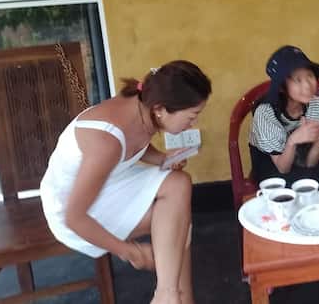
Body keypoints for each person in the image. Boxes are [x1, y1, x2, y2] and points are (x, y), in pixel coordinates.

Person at [40, 61, 211, 304]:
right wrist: (129, 251)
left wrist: (162, 159)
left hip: (107, 182)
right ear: (161, 109)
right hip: (74, 211)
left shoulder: (142, 106)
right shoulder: (106, 142)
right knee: (174, 222)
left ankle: (168, 295)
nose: (193, 124)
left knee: (178, 185)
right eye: (192, 116)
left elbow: (136, 140)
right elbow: (74, 218)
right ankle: (171, 296)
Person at [248, 45, 319, 185]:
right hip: (272, 165)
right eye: (298, 80)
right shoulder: (265, 114)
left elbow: (311, 164)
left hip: (302, 164)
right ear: (281, 87)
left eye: (310, 76)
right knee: (288, 188)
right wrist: (293, 140)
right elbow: (283, 169)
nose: (307, 85)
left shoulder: (318, 106)